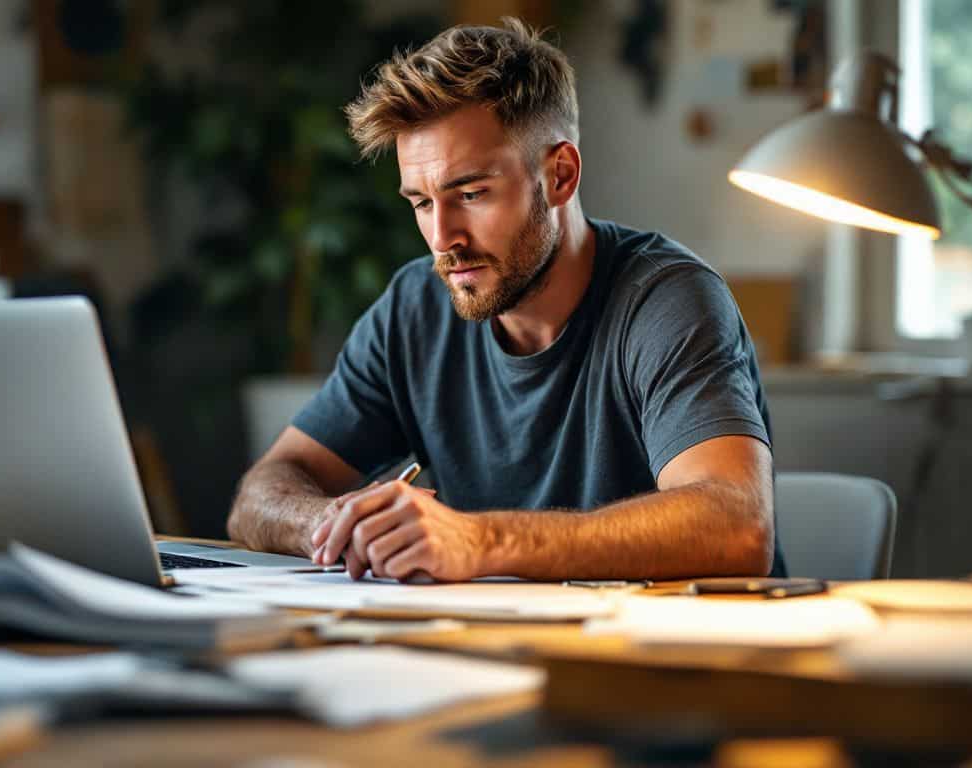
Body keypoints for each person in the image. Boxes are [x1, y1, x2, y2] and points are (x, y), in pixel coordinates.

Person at [227, 18, 781, 582]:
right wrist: (337, 522)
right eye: (420, 202)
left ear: (560, 175)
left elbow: (736, 527)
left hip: (675, 657)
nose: (444, 238)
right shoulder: (414, 308)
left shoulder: (666, 300)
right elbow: (262, 493)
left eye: (471, 193)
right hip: (494, 649)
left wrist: (481, 539)